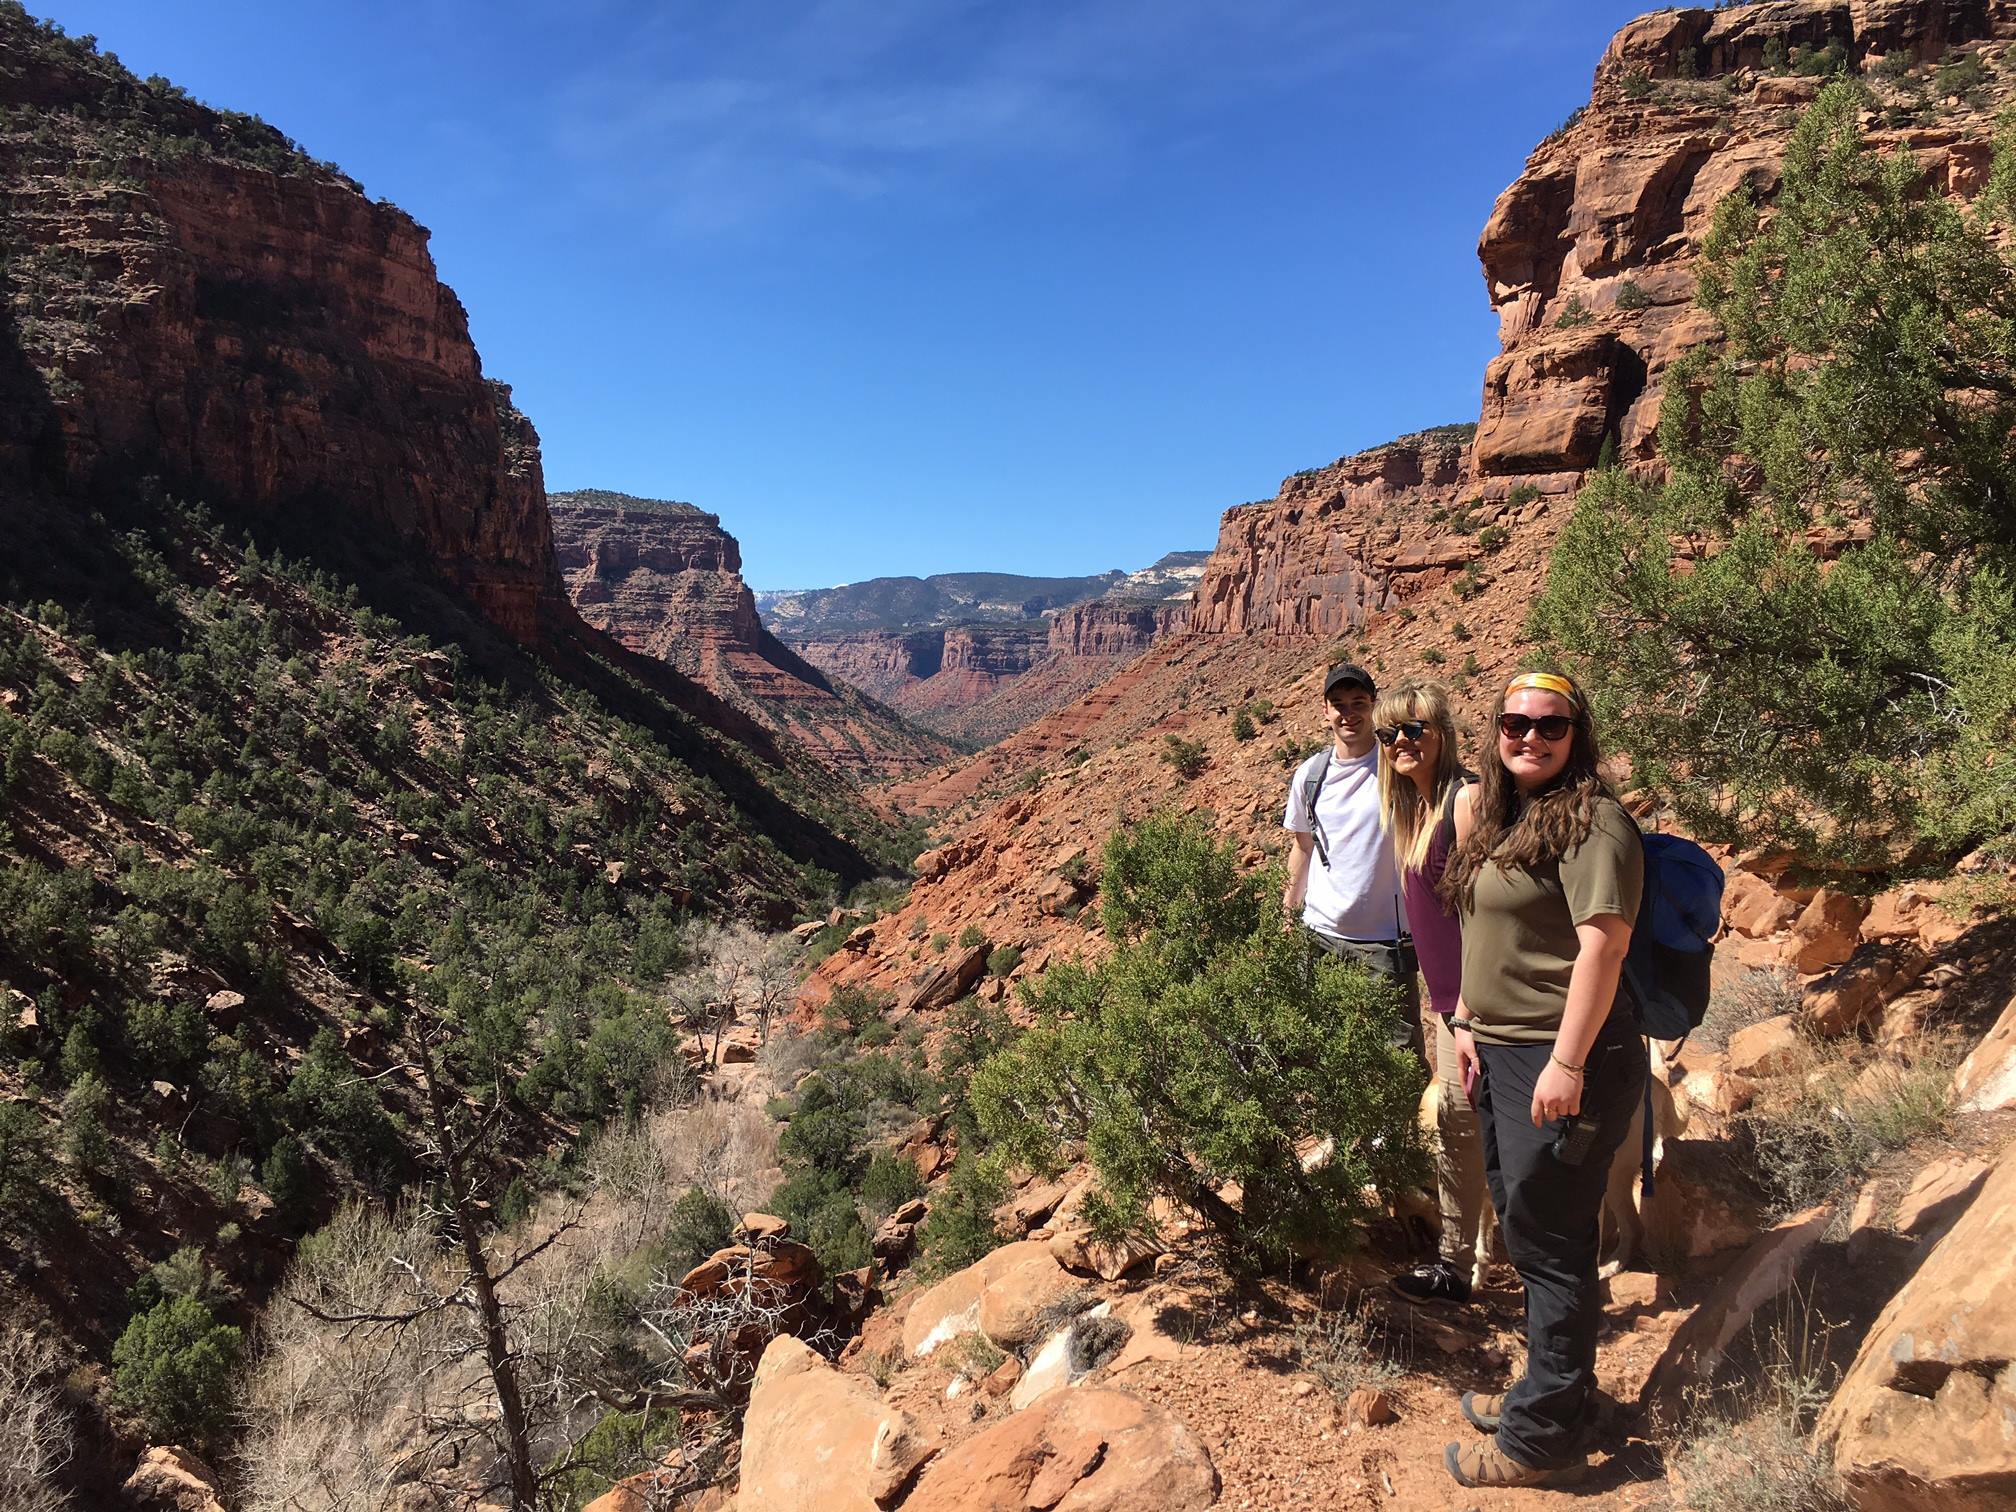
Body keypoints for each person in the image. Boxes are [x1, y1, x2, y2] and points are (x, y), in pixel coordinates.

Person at [1438, 671, 1647, 1491]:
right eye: (1515, 723)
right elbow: (1489, 933)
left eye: (1549, 726)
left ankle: (1538, 1444)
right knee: (1531, 1232)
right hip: (1500, 1048)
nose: (1530, 737)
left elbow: (1603, 948)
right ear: (1495, 731)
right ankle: (1555, 1394)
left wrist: (1566, 1063)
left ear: (1576, 734)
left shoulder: (1595, 823)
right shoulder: (1509, 814)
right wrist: (1464, 1021)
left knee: (1554, 1244)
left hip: (1566, 1057)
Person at [1372, 681, 1497, 1307]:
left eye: (1412, 729)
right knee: (1460, 1124)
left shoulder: (1465, 801)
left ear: (1441, 732)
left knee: (1472, 1124)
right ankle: (1460, 1260)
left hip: (1479, 1006)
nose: (1399, 742)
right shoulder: (1417, 810)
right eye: (1388, 733)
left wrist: (1470, 1011)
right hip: (1449, 1004)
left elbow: (1489, 915)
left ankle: (1485, 1262)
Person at [1281, 663, 1418, 1056]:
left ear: (1374, 706)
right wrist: (1288, 917)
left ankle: (1405, 1121)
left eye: (1358, 702)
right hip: (1319, 938)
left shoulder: (1398, 768)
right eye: (1338, 704)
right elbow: (1303, 848)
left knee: (1398, 1058)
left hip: (1384, 944)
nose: (1348, 713)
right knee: (1324, 1054)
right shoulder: (1311, 775)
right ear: (1325, 711)